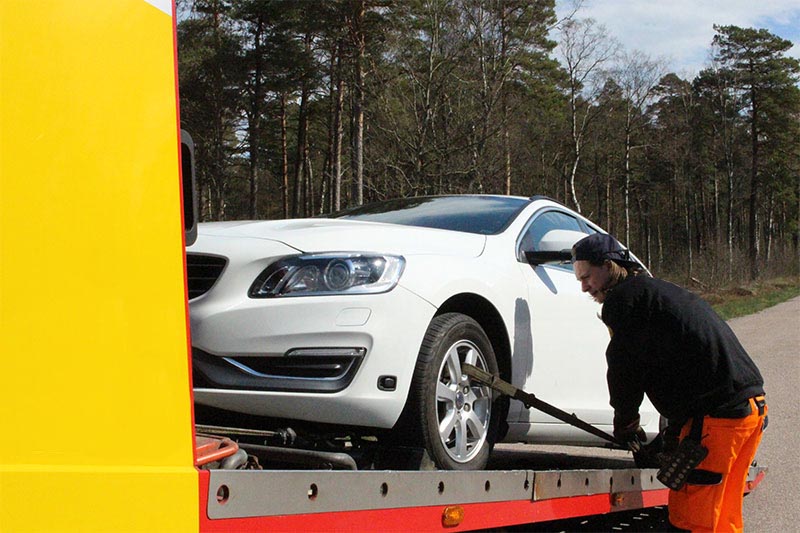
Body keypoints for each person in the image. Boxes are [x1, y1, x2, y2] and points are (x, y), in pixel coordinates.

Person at [571, 232, 767, 533]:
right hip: (748, 410)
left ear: (609, 266)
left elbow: (624, 367)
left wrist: (626, 420)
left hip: (719, 418)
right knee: (722, 517)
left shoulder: (623, 300)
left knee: (694, 520)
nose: (583, 286)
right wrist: (671, 436)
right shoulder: (655, 293)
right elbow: (678, 365)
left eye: (587, 276)